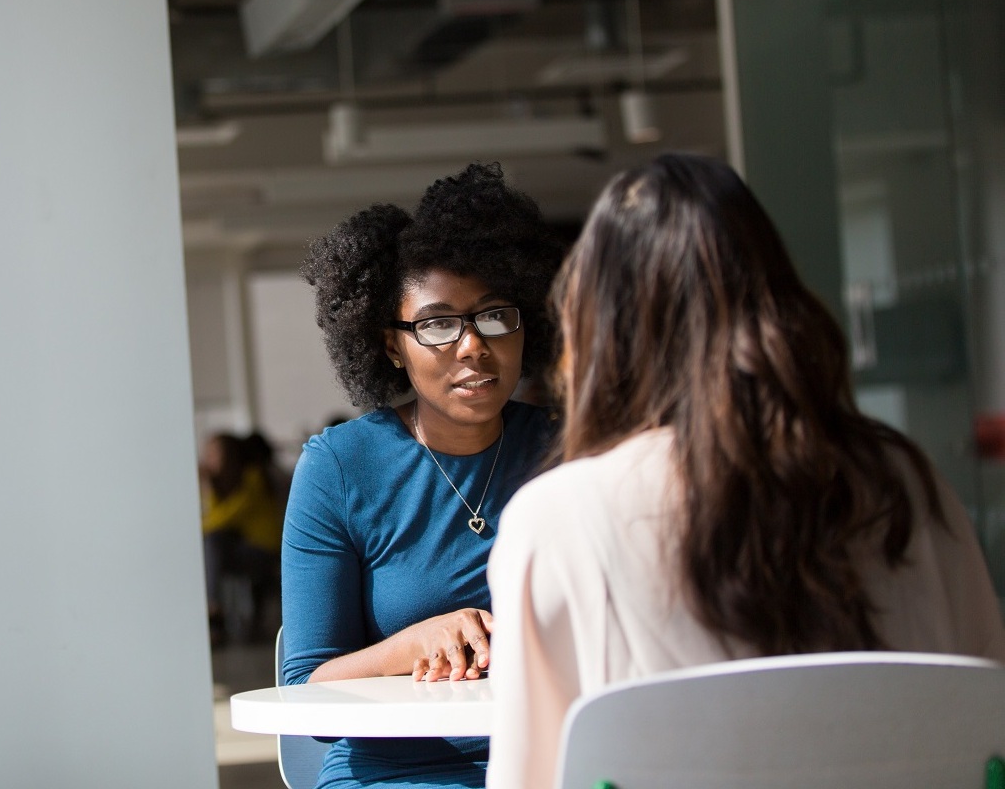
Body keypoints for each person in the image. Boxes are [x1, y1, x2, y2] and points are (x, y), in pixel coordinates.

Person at [485, 153, 1005, 789]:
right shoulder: (906, 483)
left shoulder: (558, 520)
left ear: (600, 328)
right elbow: (987, 730)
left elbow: (526, 778)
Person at [283, 162, 564, 788]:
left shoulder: (567, 448)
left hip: (553, 761)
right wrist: (414, 645)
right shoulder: (340, 468)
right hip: (395, 775)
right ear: (390, 345)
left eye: (495, 316)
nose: (472, 345)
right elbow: (305, 693)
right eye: (438, 324)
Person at [201, 431, 283, 646]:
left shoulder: (252, 478)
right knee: (212, 544)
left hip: (263, 551)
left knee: (212, 543)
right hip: (243, 549)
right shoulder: (223, 485)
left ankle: (213, 609)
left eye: (213, 454)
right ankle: (213, 610)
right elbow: (216, 517)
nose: (208, 460)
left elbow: (224, 518)